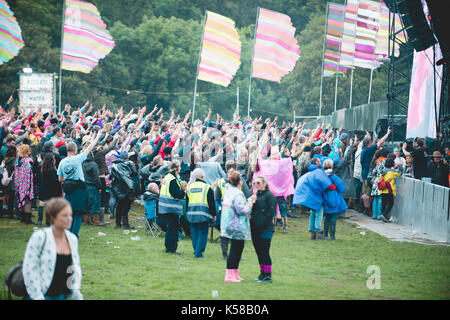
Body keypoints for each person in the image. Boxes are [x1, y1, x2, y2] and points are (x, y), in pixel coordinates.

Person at [22, 198, 83, 300]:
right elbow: (29, 269)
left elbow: (74, 268)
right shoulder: (40, 237)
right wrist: (38, 296)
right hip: (42, 295)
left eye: (70, 215)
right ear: (52, 217)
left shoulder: (72, 239)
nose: (69, 219)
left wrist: (75, 293)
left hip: (62, 295)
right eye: (64, 215)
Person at [57, 130, 103, 238]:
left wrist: (69, 177)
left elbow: (60, 179)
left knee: (70, 213)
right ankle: (73, 235)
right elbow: (90, 148)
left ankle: (67, 234)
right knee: (78, 213)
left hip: (68, 189)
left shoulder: (62, 162)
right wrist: (98, 136)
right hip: (79, 188)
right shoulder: (77, 159)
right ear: (75, 150)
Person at [215, 160, 251, 260]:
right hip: (237, 210)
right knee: (237, 233)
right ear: (236, 169)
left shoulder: (221, 181)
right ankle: (236, 255)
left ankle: (225, 254)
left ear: (225, 169)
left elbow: (217, 196)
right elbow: (247, 194)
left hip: (225, 209)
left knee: (225, 232)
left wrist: (221, 205)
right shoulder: (240, 180)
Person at [221, 171, 253, 282]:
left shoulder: (229, 191)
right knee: (236, 251)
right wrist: (250, 205)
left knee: (238, 249)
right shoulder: (238, 194)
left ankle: (235, 273)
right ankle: (229, 275)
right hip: (237, 225)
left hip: (229, 223)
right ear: (240, 182)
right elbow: (242, 210)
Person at [292, 157, 332, 240]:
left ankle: (312, 233)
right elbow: (324, 183)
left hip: (311, 196)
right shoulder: (318, 172)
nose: (320, 162)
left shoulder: (310, 172)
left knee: (312, 214)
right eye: (319, 161)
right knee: (318, 214)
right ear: (316, 163)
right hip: (316, 196)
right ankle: (319, 233)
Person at [250, 175, 276, 283]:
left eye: (258, 183)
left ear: (264, 184)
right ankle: (262, 273)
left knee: (265, 252)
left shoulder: (269, 196)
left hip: (266, 228)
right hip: (255, 228)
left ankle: (268, 275)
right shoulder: (256, 196)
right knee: (258, 252)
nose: (256, 185)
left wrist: (262, 223)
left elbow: (271, 212)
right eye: (255, 183)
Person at [158, 159, 187, 254]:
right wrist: (183, 192)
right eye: (179, 167)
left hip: (165, 207)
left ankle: (169, 247)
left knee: (171, 228)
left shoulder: (167, 177)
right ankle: (171, 248)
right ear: (176, 168)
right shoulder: (173, 179)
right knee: (173, 229)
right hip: (170, 208)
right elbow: (175, 194)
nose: (181, 168)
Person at [186, 168, 216, 258]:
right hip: (203, 214)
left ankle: (196, 250)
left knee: (194, 233)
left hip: (191, 213)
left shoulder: (189, 187)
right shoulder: (207, 187)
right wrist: (213, 214)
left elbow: (187, 202)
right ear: (202, 176)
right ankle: (198, 253)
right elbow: (211, 203)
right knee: (202, 233)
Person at [110, 152, 137, 229]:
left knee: (119, 206)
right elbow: (134, 172)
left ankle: (117, 224)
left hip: (118, 188)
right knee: (126, 206)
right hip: (128, 187)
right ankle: (125, 224)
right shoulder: (129, 163)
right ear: (127, 158)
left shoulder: (114, 165)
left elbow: (111, 176)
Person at [322, 159, 347, 240]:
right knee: (333, 217)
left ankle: (325, 235)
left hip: (325, 198)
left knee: (327, 217)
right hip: (334, 197)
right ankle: (332, 236)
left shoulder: (321, 175)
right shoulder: (334, 176)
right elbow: (342, 188)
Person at [38, 153, 63, 226]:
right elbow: (56, 180)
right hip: (51, 189)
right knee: (50, 206)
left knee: (42, 203)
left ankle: (39, 221)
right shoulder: (53, 170)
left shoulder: (43, 168)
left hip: (43, 188)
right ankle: (48, 222)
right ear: (52, 160)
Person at [14, 144, 35, 224]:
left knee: (21, 200)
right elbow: (29, 173)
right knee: (28, 201)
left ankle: (23, 218)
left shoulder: (18, 160)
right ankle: (28, 219)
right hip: (26, 183)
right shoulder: (27, 161)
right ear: (26, 151)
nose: (30, 151)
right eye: (29, 149)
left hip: (18, 183)